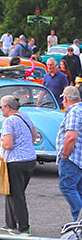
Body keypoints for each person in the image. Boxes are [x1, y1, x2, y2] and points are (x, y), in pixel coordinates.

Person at [0, 95, 37, 236]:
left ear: (7, 107)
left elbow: (8, 145)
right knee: (11, 191)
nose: (1, 110)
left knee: (16, 194)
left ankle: (23, 227)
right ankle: (10, 223)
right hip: (29, 159)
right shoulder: (25, 116)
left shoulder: (9, 121)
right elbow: (34, 135)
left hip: (15, 161)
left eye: (1, 107)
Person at [58, 86, 82, 224]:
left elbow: (71, 137)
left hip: (72, 157)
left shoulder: (73, 112)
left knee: (67, 186)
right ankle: (78, 222)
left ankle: (78, 221)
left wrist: (65, 155)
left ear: (66, 99)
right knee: (78, 189)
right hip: (79, 156)